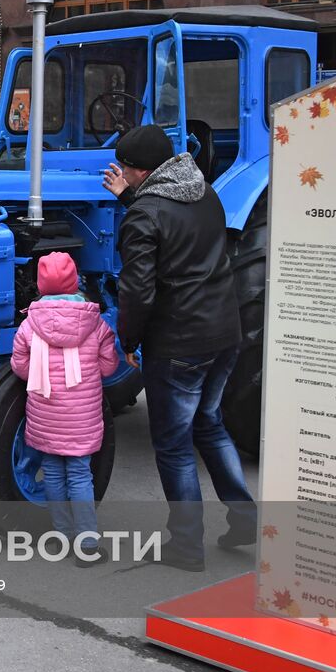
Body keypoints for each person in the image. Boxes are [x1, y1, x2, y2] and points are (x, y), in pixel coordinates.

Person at [102, 124, 256, 571]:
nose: (123, 177)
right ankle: (245, 518)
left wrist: (128, 340)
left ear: (136, 169)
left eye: (125, 170)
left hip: (179, 342)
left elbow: (137, 290)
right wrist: (130, 199)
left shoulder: (144, 214)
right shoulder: (203, 191)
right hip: (224, 330)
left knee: (172, 445)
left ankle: (187, 545)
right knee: (210, 424)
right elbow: (175, 228)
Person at [10, 253, 119, 566]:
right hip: (81, 417)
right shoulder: (94, 322)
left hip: (45, 414)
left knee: (54, 474)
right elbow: (109, 366)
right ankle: (86, 544)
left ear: (42, 286)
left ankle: (61, 536)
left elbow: (20, 366)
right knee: (80, 476)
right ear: (75, 282)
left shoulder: (30, 323)